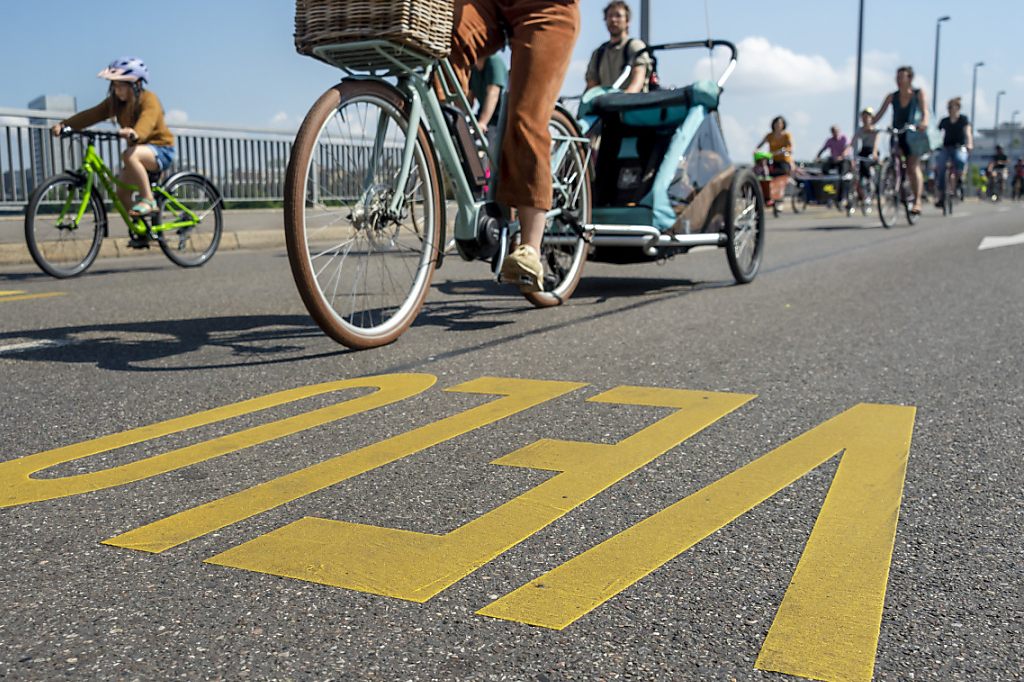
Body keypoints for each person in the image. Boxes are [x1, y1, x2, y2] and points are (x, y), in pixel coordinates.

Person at [449, 0, 580, 292]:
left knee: (524, 118)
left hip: (546, 7)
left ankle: (530, 248)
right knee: (442, 41)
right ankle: (461, 152)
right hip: (493, 4)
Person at [51, 57, 176, 246]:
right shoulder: (116, 104)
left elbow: (147, 121)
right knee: (122, 195)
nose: (117, 91)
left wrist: (135, 133)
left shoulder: (149, 99)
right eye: (115, 86)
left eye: (122, 86)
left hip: (160, 149)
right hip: (137, 153)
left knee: (129, 154)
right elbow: (91, 115)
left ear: (136, 84)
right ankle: (141, 229)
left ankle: (148, 200)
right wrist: (65, 125)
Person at [872, 65, 929, 214]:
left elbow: (925, 112)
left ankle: (917, 201)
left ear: (909, 78)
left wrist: (924, 123)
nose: (898, 80)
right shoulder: (892, 96)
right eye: (897, 77)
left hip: (912, 133)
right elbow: (879, 113)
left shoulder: (918, 93)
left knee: (912, 166)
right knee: (894, 158)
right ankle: (893, 181)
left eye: (901, 77)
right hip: (897, 132)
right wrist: (870, 125)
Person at [585, 1, 653, 93]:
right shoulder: (598, 53)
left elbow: (637, 82)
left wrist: (622, 102)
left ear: (627, 21)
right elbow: (592, 88)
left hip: (632, 105)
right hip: (605, 105)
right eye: (610, 16)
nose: (613, 20)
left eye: (618, 16)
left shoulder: (635, 47)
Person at [933, 97, 973, 205]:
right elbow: (937, 134)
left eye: (953, 107)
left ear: (958, 108)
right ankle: (942, 195)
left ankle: (959, 182)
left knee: (960, 160)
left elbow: (968, 133)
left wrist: (969, 143)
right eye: (949, 107)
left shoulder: (963, 119)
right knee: (940, 166)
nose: (950, 109)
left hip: (959, 147)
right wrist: (933, 144)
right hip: (946, 147)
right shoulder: (944, 121)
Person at [814, 125, 853, 209]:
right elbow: (823, 149)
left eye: (836, 131)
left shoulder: (844, 138)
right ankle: (828, 192)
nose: (835, 133)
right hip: (834, 160)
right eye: (833, 131)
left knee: (842, 177)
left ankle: (841, 198)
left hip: (843, 160)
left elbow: (847, 148)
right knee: (825, 168)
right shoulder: (830, 140)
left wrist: (841, 156)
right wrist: (817, 156)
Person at [468, 53, 508, 133]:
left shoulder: (494, 61)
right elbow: (469, 99)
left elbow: (493, 94)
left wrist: (482, 122)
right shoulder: (473, 67)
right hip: (483, 116)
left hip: (499, 121)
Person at [851, 107, 880, 206]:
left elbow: (876, 144)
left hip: (872, 152)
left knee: (866, 166)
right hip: (863, 151)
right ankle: (860, 193)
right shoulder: (860, 130)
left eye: (867, 117)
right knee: (856, 170)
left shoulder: (875, 130)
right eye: (863, 117)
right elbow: (853, 142)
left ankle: (871, 183)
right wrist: (845, 152)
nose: (865, 119)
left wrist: (875, 153)